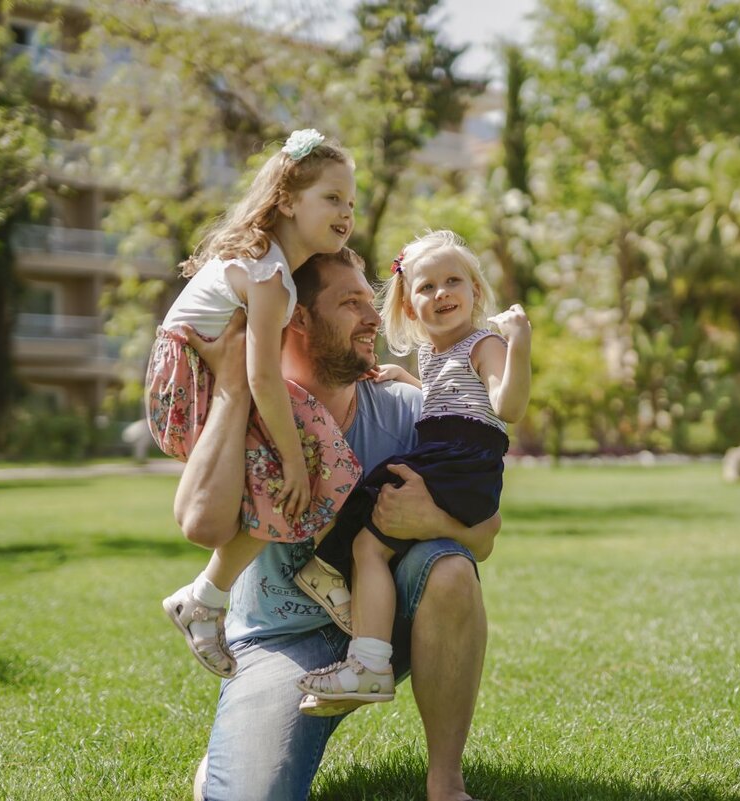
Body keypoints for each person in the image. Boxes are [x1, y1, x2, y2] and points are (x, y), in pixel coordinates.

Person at [174, 249, 499, 801]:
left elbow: (485, 536)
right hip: (279, 642)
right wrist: (234, 386)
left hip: (385, 625)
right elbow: (198, 521)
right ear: (295, 316)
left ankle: (446, 783)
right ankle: (235, 752)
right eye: (351, 303)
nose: (374, 317)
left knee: (449, 568)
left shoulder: (408, 409)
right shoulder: (247, 412)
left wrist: (434, 519)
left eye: (370, 301)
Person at [145, 129, 361, 678]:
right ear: (288, 200)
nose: (346, 212)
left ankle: (261, 579)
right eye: (332, 198)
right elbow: (263, 377)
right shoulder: (268, 274)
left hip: (194, 378)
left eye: (351, 202)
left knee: (317, 446)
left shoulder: (271, 268)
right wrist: (291, 457)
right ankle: (215, 596)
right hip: (195, 385)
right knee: (298, 462)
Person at [294, 230, 530, 709]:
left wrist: (519, 344)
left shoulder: (487, 344)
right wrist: (408, 380)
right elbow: (450, 400)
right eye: (426, 287)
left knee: (367, 524)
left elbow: (506, 405)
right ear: (407, 307)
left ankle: (367, 657)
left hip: (463, 462)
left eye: (453, 282)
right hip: (447, 454)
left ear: (475, 293)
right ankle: (356, 626)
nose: (441, 293)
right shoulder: (432, 353)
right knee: (366, 527)